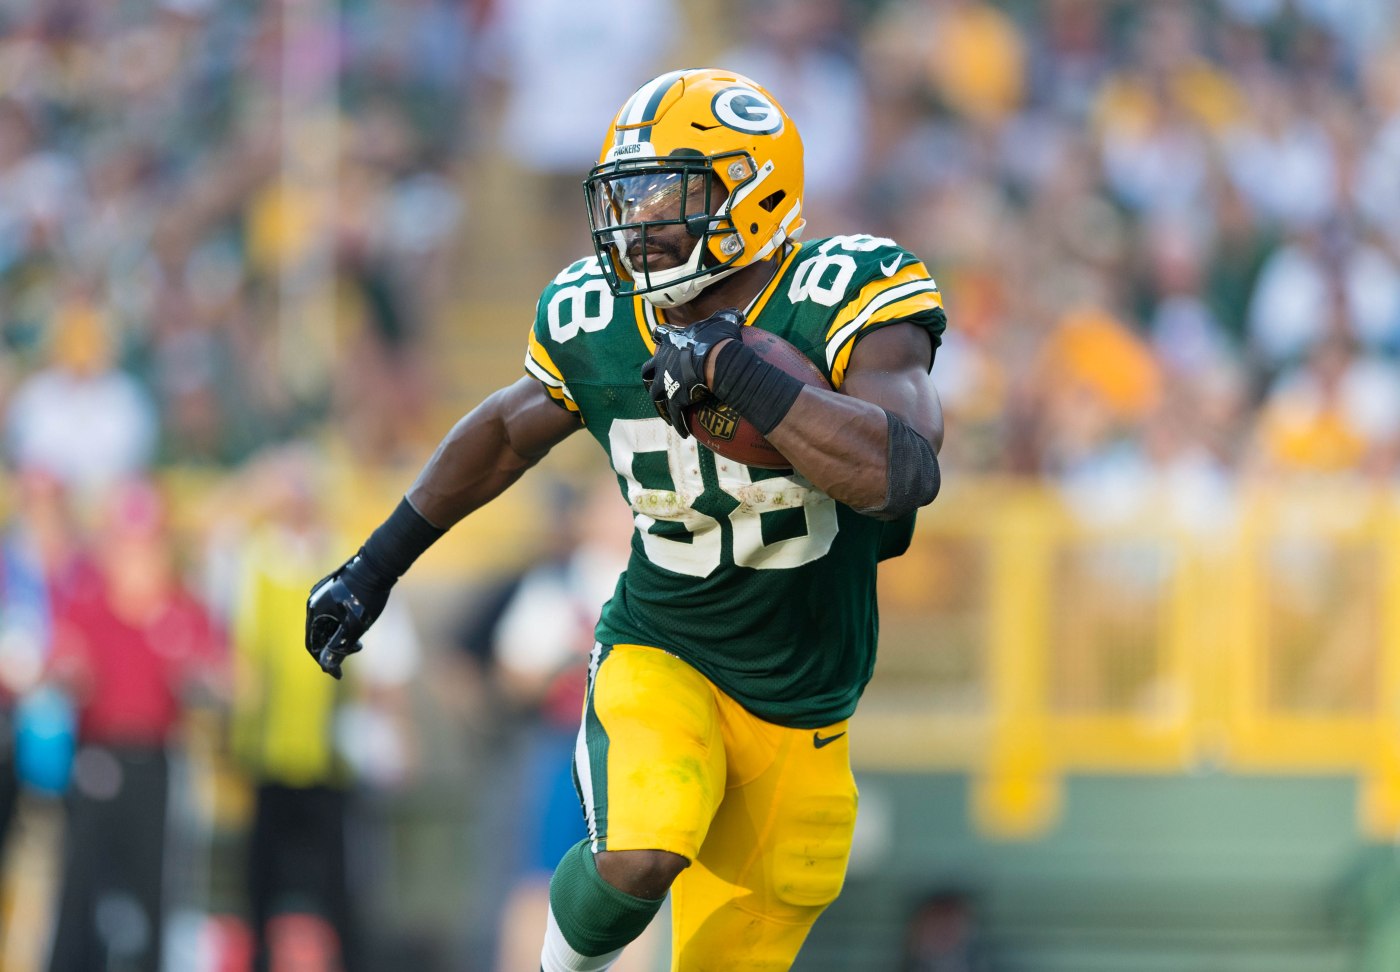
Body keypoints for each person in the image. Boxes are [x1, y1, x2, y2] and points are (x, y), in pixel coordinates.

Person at [305, 68, 946, 970]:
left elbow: (903, 470)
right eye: (628, 193)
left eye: (668, 194)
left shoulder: (846, 291)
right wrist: (373, 568)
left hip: (805, 691)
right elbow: (502, 434)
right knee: (640, 849)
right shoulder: (598, 312)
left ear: (755, 194)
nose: (638, 220)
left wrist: (738, 372)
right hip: (663, 644)